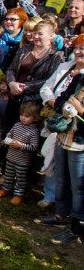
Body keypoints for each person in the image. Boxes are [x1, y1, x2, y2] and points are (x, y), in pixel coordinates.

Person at [34, 60, 84, 245]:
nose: (79, 53)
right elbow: (61, 97)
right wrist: (64, 107)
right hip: (64, 136)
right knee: (62, 178)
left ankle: (76, 227)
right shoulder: (79, 78)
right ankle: (60, 215)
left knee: (78, 187)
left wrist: (80, 111)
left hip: (80, 143)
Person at [0, 101, 41, 206]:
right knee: (8, 174)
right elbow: (10, 134)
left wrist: (21, 145)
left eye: (27, 116)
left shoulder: (34, 131)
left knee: (20, 178)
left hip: (22, 160)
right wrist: (6, 140)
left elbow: (34, 147)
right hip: (11, 157)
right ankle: (5, 189)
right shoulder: (17, 125)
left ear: (35, 117)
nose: (23, 118)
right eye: (22, 115)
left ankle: (18, 194)